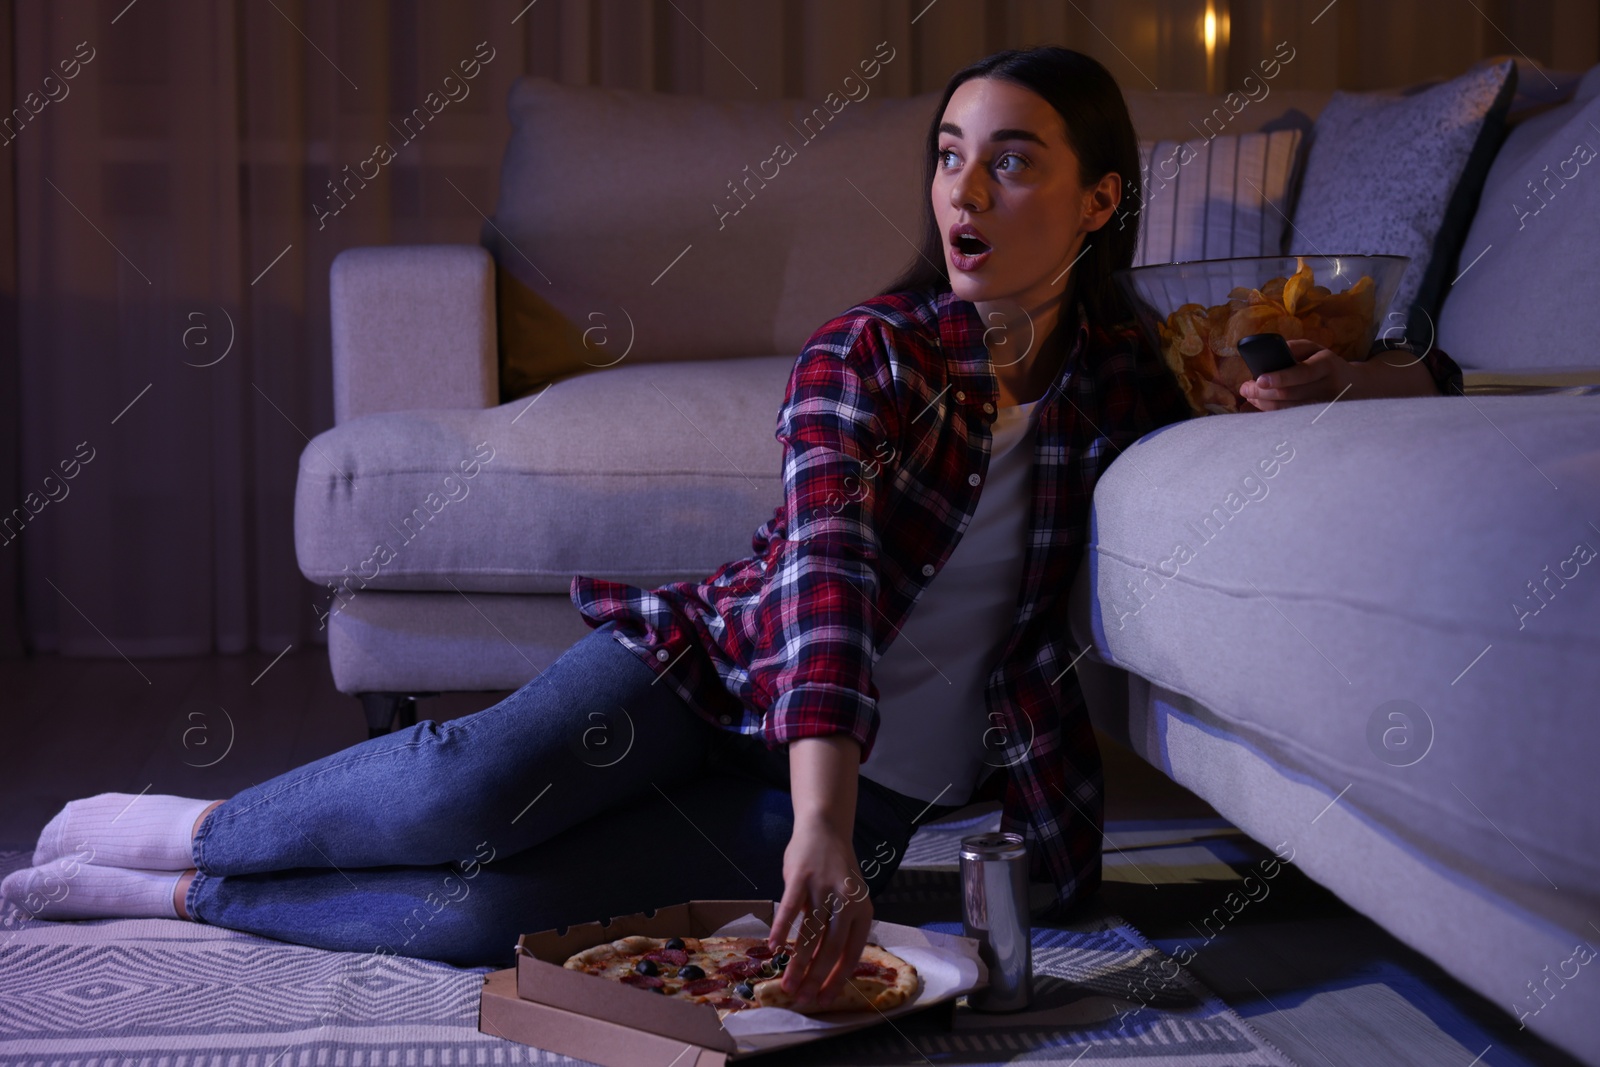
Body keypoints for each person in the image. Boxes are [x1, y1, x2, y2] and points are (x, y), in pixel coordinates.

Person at [2, 46, 1462, 1007]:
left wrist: (1371, 373)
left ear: (1098, 201)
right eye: (950, 153)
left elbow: (1333, 362)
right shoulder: (868, 354)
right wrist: (817, 830)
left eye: (1012, 159)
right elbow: (825, 582)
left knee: (484, 923)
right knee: (454, 796)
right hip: (706, 678)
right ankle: (170, 825)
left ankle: (192, 894)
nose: (965, 188)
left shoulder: (1127, 376)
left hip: (868, 800)